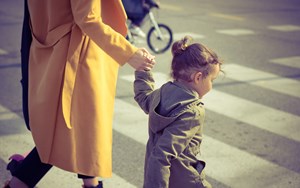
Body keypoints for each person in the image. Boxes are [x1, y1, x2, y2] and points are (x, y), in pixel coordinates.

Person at [4, 0, 155, 187]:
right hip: (77, 59)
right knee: (73, 132)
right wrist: (129, 53)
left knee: (77, 133)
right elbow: (88, 19)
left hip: (50, 52)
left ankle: (89, 183)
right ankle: (19, 182)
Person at [134, 36, 223, 188]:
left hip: (163, 178)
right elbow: (162, 155)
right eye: (212, 80)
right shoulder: (193, 111)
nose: (211, 85)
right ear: (198, 77)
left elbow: (143, 97)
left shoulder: (163, 93)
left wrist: (143, 71)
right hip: (186, 181)